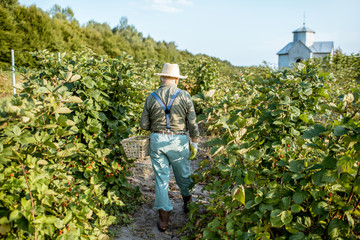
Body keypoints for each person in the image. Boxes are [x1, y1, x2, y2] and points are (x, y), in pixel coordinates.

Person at [140, 63, 200, 232]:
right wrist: (194, 141)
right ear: (176, 79)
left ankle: (163, 221)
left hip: (157, 140)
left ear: (161, 77)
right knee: (183, 175)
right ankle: (188, 205)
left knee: (161, 179)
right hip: (178, 140)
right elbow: (193, 123)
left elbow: (144, 125)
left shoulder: (151, 97)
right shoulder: (185, 96)